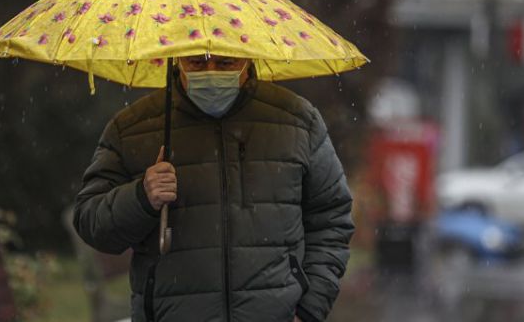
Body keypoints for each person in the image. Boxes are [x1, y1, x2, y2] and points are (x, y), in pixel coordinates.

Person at [73, 54, 354, 322]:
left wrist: (309, 309)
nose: (211, 72)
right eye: (196, 62)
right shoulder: (132, 128)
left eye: (225, 62)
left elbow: (331, 220)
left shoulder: (298, 121)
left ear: (248, 58)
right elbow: (91, 221)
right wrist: (141, 197)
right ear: (176, 59)